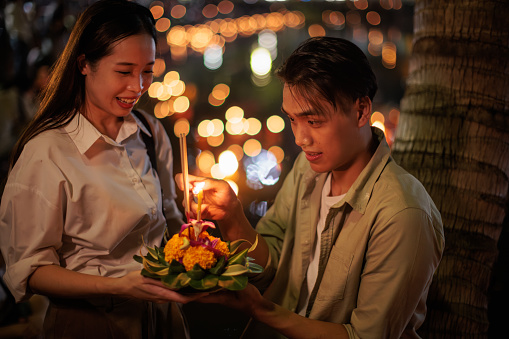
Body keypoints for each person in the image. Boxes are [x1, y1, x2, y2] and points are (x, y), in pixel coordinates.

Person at [177, 37, 445, 338]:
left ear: (360, 111)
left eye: (314, 121)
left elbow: (366, 335)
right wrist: (232, 217)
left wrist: (262, 311)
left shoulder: (402, 214)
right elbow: (274, 262)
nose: (300, 139)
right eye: (292, 120)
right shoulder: (308, 170)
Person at [0, 1, 199, 338]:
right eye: (124, 71)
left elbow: (168, 216)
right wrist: (120, 286)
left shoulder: (149, 132)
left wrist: (196, 239)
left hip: (163, 316)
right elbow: (30, 271)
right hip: (90, 322)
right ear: (84, 65)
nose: (138, 86)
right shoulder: (48, 152)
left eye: (147, 70)